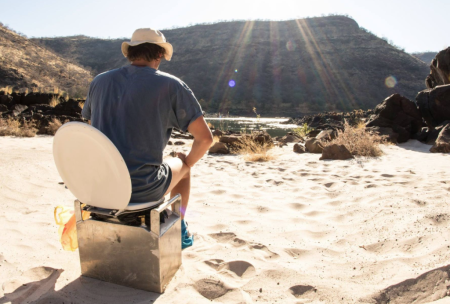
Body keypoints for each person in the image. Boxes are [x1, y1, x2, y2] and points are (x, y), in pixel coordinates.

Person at [81, 28, 213, 249]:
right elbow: (205, 139)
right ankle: (178, 226)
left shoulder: (99, 82)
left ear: (130, 53)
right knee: (182, 163)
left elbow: (90, 132)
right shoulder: (171, 85)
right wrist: (187, 163)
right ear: (159, 55)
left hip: (100, 187)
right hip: (142, 189)